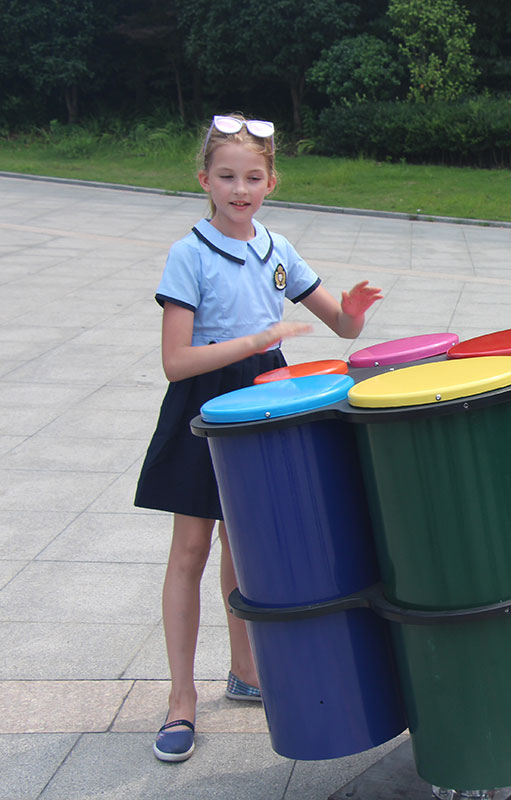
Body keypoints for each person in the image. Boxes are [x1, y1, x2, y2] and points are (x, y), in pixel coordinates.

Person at [134, 113, 383, 763]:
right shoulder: (189, 253)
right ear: (204, 180)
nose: (239, 189)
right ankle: (181, 701)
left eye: (252, 176)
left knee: (243, 545)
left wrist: (351, 312)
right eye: (226, 177)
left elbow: (339, 324)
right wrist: (253, 343)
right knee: (190, 550)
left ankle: (246, 671)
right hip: (206, 404)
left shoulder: (277, 247)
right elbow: (175, 361)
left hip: (266, 403)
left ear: (271, 181)